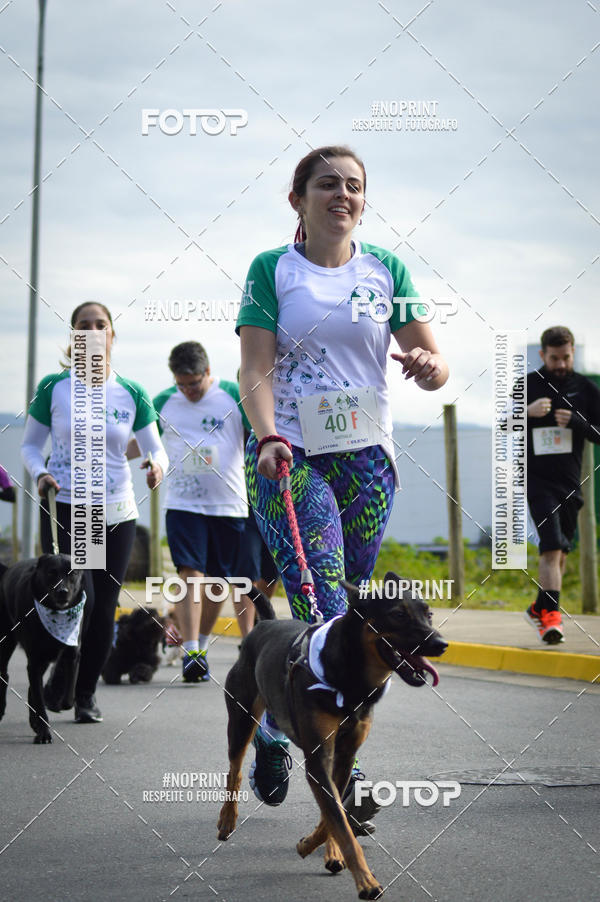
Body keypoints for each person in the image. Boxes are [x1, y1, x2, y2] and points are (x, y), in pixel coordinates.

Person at [236, 145, 449, 814]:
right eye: (327, 183)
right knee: (321, 597)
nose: (343, 195)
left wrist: (424, 363)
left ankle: (276, 721)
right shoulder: (273, 269)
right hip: (289, 455)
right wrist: (269, 434)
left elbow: (436, 361)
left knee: (354, 612)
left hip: (366, 457)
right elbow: (255, 368)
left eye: (354, 186)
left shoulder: (386, 268)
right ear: (297, 197)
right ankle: (339, 772)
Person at [21, 302, 168, 723]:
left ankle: (84, 694)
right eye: (83, 325)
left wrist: (157, 466)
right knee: (74, 599)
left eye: (100, 325)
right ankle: (63, 675)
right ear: (73, 336)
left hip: (117, 507)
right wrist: (41, 472)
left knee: (104, 603)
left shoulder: (132, 392)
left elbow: (155, 447)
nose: (92, 331)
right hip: (74, 506)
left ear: (111, 336)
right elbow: (31, 445)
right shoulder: (56, 388)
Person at [153, 341, 255, 684]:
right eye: (182, 384)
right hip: (183, 503)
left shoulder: (232, 395)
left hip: (229, 504)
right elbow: (144, 441)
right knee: (190, 574)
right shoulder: (163, 402)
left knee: (218, 582)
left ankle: (202, 646)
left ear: (208, 372)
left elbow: (257, 436)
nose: (188, 391)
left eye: (194, 384)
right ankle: (191, 649)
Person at [524, 326, 600, 644]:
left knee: (561, 551)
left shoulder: (585, 388)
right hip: (538, 481)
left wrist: (578, 422)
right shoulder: (527, 385)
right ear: (543, 355)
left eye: (566, 357)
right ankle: (552, 619)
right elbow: (502, 427)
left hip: (571, 482)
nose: (560, 364)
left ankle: (538, 608)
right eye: (554, 358)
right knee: (551, 546)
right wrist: (525, 413)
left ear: (573, 353)